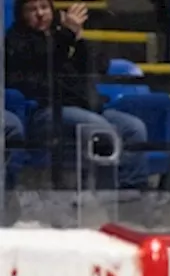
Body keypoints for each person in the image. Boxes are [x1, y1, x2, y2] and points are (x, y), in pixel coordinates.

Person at [4, 0, 149, 191]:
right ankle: (105, 195)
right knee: (100, 130)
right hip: (46, 112)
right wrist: (67, 34)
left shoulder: (63, 34)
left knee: (134, 128)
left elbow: (98, 65)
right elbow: (46, 61)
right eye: (32, 9)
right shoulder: (16, 40)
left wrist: (79, 38)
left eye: (44, 7)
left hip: (86, 106)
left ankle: (130, 193)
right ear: (21, 15)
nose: (40, 14)